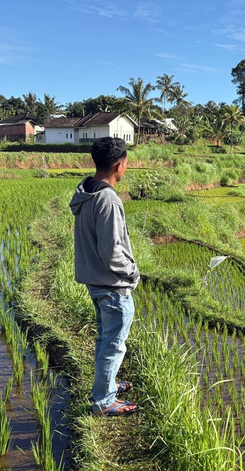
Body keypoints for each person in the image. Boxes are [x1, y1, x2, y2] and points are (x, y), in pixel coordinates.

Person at [69, 137, 140, 416]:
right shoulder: (108, 199)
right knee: (113, 344)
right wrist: (132, 272)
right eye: (126, 163)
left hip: (96, 281)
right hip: (112, 285)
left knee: (105, 340)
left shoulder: (87, 191)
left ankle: (106, 385)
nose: (126, 168)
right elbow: (111, 252)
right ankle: (104, 401)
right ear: (118, 165)